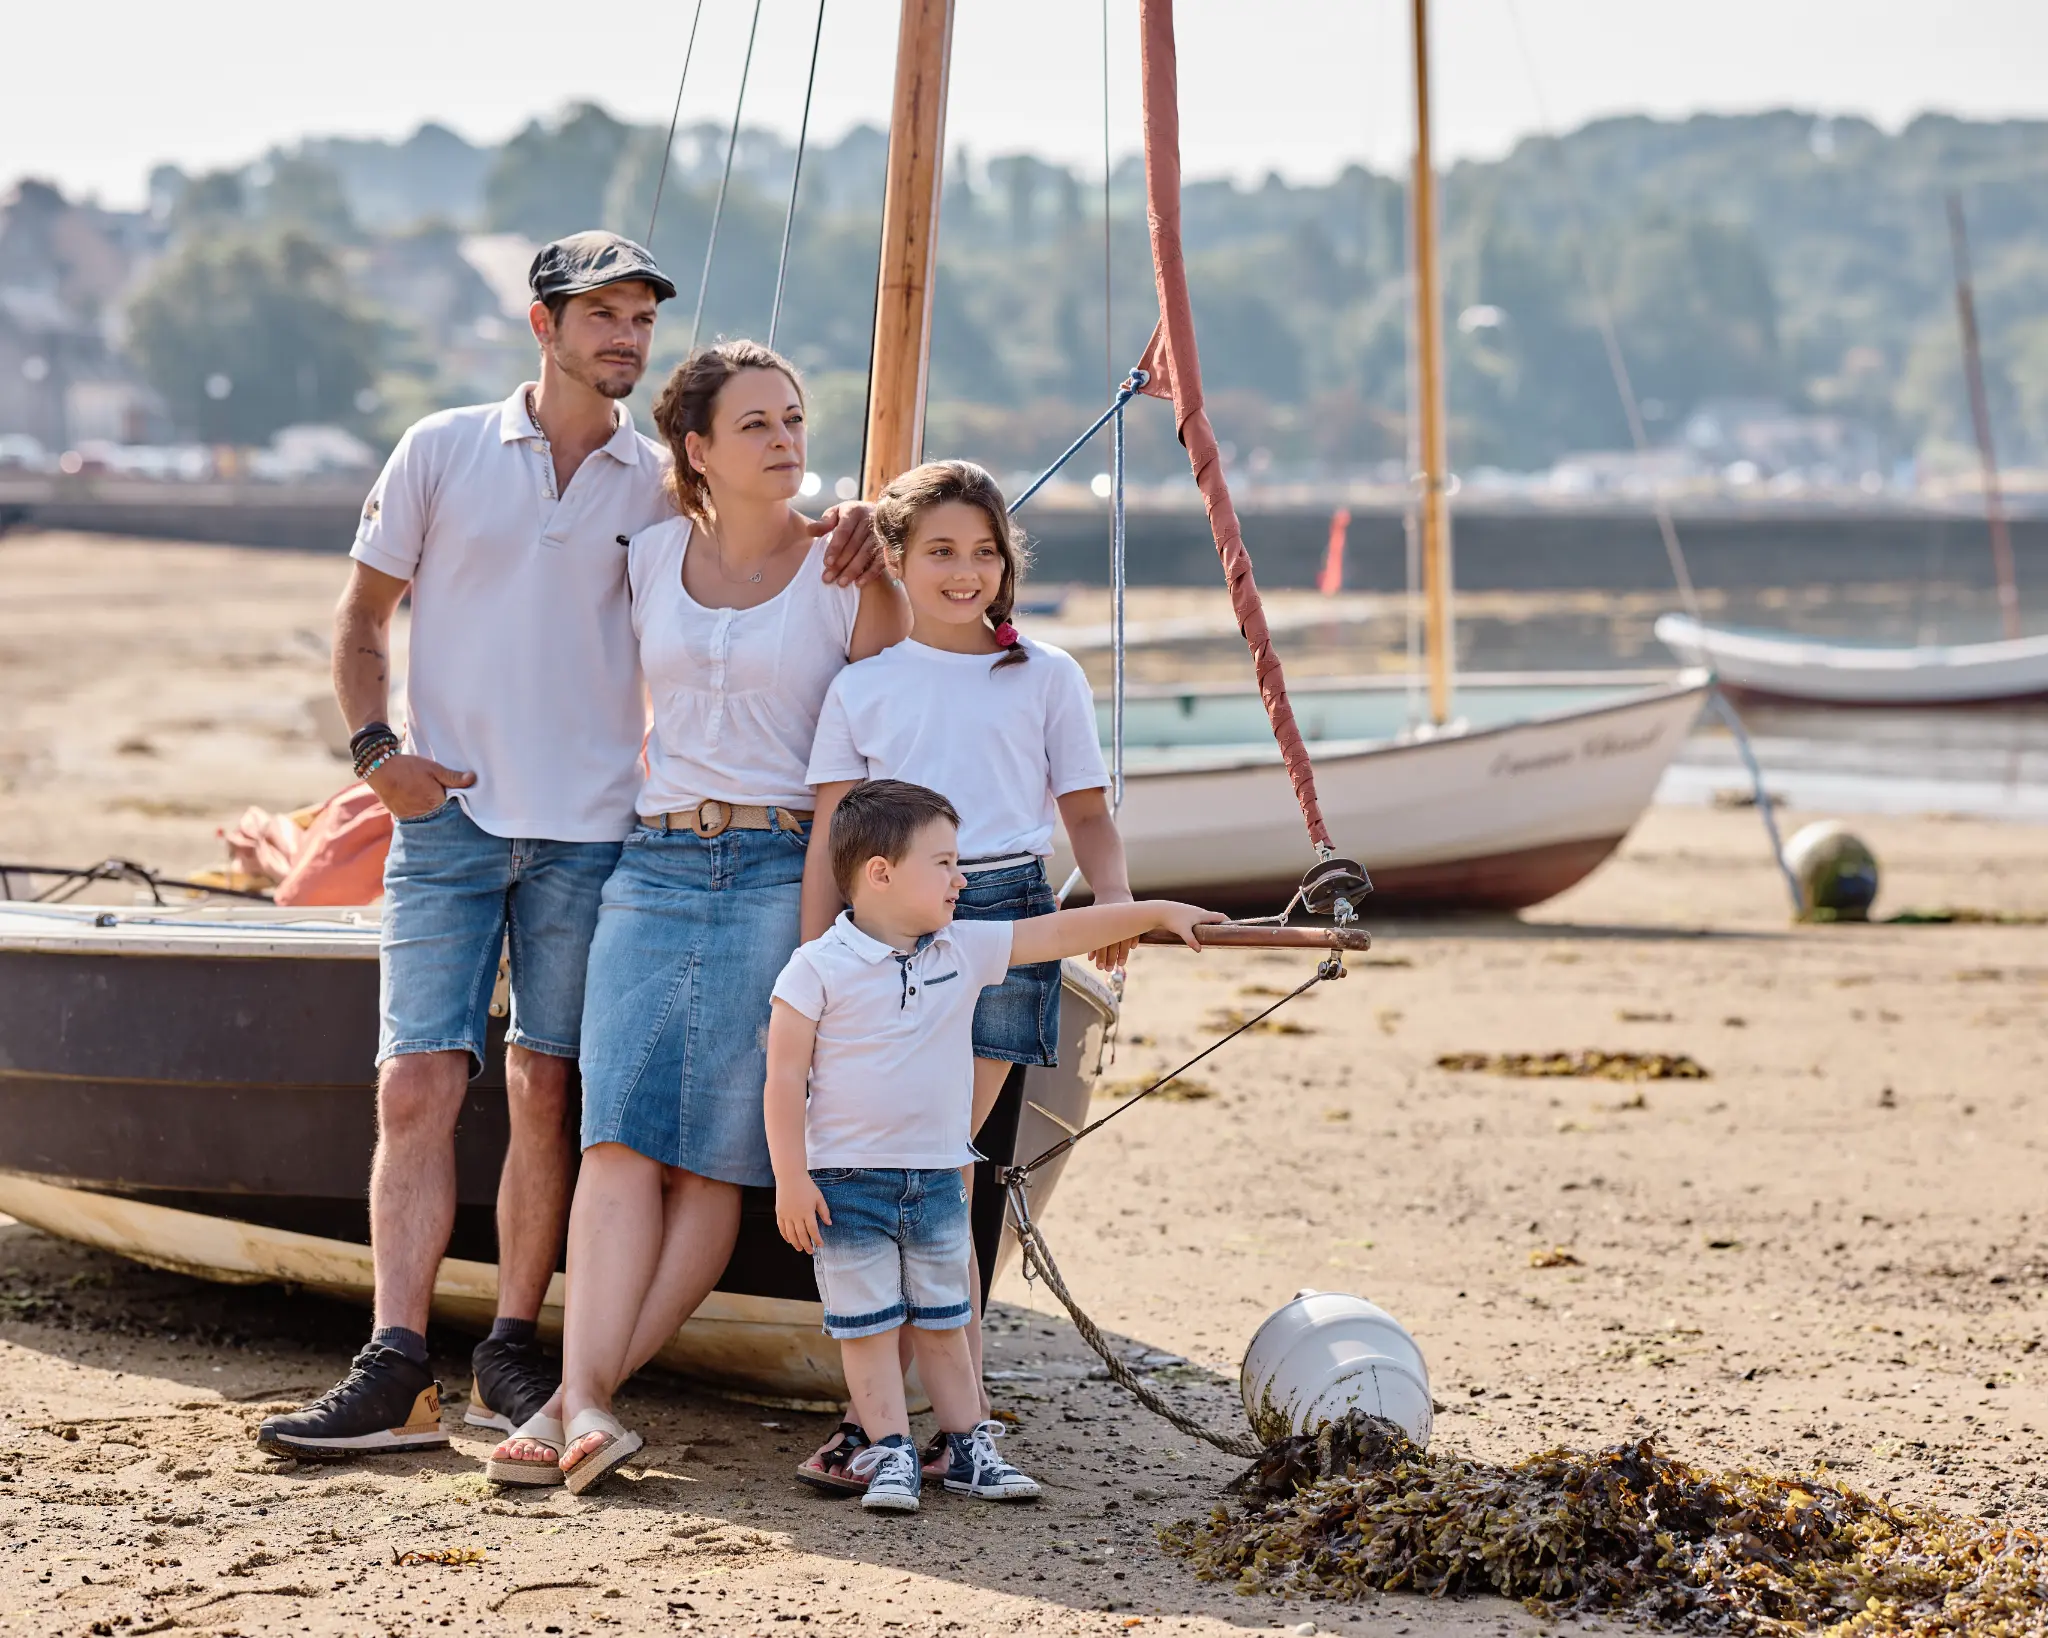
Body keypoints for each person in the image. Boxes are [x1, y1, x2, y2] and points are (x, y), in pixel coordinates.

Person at [260, 242, 881, 1461]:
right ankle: (394, 1363)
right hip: (447, 822)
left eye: (643, 316)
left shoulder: (660, 485)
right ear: (542, 324)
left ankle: (508, 1344)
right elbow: (358, 619)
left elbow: (767, 528)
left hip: (599, 832)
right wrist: (376, 749)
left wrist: (855, 512)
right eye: (601, 314)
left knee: (550, 1088)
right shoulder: (440, 447)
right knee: (416, 1082)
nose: (626, 336)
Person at [484, 340, 910, 1493]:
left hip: (781, 872)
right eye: (758, 424)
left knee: (713, 1164)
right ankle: (585, 1404)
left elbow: (870, 764)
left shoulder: (850, 570)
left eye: (795, 420)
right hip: (653, 864)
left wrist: (840, 931)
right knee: (614, 1139)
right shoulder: (647, 554)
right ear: (697, 449)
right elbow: (553, 668)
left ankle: (576, 1404)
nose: (786, 441)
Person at [794, 459, 1135, 1490]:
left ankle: (918, 1425)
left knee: (938, 1165)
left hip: (1005, 915)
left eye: (983, 551)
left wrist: (1112, 909)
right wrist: (819, 959)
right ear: (893, 561)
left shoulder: (1046, 675)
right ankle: (913, 1421)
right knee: (909, 1173)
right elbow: (830, 840)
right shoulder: (862, 685)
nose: (964, 571)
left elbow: (1083, 813)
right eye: (939, 550)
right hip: (885, 929)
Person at [764, 779, 1220, 1512]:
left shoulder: (963, 949)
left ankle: (970, 1444)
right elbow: (784, 1080)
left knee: (945, 1317)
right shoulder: (815, 967)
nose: (963, 877)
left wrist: (1162, 912)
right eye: (943, 863)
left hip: (941, 1177)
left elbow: (1060, 935)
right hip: (848, 1182)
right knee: (869, 1328)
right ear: (880, 873)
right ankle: (887, 1454)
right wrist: (792, 1179)